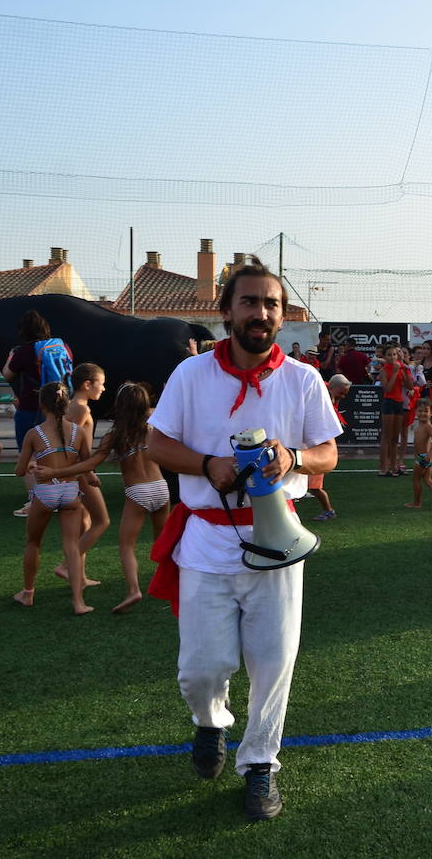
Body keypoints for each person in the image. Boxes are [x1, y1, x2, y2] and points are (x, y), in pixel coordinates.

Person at [146, 258, 341, 821]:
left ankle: (260, 764)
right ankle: (210, 722)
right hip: (206, 542)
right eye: (250, 302)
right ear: (227, 310)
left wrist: (294, 456)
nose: (260, 313)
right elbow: (157, 446)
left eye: (271, 304)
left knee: (274, 662)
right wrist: (210, 464)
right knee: (200, 668)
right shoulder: (192, 374)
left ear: (283, 315)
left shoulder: (303, 378)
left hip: (278, 541)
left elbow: (328, 451)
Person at [36, 382, 171, 614]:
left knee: (127, 546)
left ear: (119, 406)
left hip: (138, 492)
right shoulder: (154, 429)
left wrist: (54, 473)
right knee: (164, 544)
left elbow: (90, 463)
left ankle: (133, 590)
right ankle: (172, 587)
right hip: (161, 488)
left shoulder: (115, 435)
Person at [13, 382, 92, 615]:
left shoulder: (33, 433)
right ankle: (78, 602)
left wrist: (32, 464)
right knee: (71, 546)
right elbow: (87, 463)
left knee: (33, 542)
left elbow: (19, 471)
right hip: (70, 491)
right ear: (66, 404)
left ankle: (28, 593)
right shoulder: (78, 431)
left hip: (46, 491)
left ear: (41, 405)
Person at [2, 311, 70, 517]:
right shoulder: (62, 346)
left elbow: (7, 374)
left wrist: (10, 357)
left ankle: (36, 500)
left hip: (31, 407)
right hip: (59, 407)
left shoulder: (24, 351)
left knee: (29, 453)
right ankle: (60, 495)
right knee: (57, 451)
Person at [52, 363, 109, 588]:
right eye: (101, 384)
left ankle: (80, 576)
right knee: (102, 521)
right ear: (87, 384)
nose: (103, 389)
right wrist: (88, 472)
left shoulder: (79, 406)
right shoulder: (80, 408)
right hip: (79, 473)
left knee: (85, 526)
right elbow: (67, 444)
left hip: (78, 472)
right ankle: (66, 565)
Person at [304, 374, 350, 522]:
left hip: (318, 451)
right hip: (312, 447)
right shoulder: (323, 398)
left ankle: (329, 511)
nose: (343, 397)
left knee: (315, 487)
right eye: (342, 393)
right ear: (332, 387)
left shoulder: (327, 400)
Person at [377, 345, 413, 477]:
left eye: (394, 354)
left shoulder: (400, 367)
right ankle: (383, 467)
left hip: (400, 403)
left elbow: (409, 386)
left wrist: (405, 371)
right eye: (389, 355)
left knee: (394, 438)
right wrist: (395, 372)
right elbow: (388, 389)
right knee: (386, 436)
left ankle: (393, 466)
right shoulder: (384, 370)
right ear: (385, 357)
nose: (393, 357)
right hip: (389, 402)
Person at [403, 401, 432, 510]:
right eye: (420, 411)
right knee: (427, 480)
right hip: (424, 456)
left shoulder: (428, 426)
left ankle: (417, 503)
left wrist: (431, 452)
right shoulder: (420, 425)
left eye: (426, 411)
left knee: (416, 479)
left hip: (424, 456)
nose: (423, 413)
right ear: (416, 412)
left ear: (431, 412)